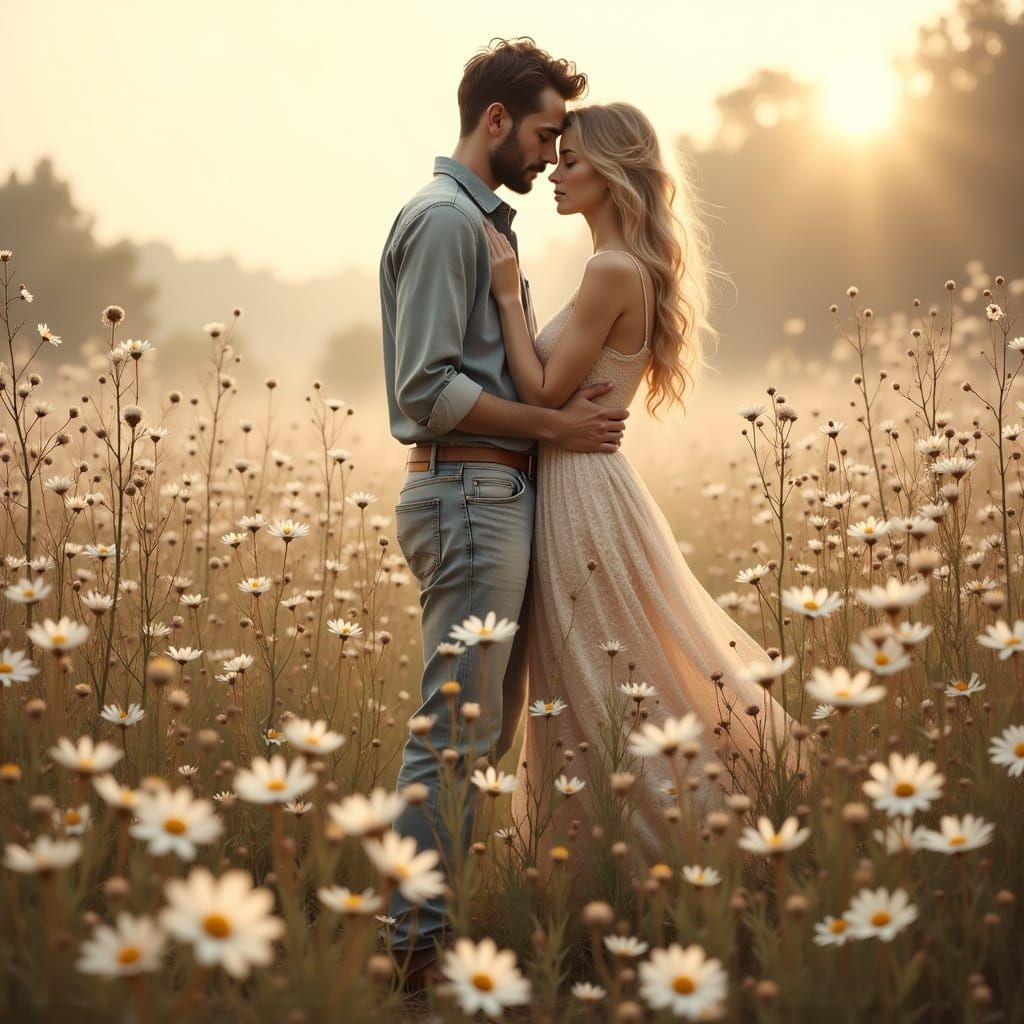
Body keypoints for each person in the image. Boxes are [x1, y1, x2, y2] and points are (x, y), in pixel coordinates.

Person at [483, 102, 800, 866]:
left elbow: (541, 394)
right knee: (604, 672)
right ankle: (629, 862)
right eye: (555, 158)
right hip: (586, 480)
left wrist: (503, 294)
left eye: (573, 161)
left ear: (615, 174)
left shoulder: (611, 270)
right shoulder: (625, 267)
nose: (555, 173)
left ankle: (668, 859)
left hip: (583, 490)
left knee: (600, 675)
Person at [379, 40, 629, 985]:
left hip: (490, 495)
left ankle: (422, 935)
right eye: (542, 133)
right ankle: (410, 949)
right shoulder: (448, 223)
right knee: (452, 730)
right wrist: (553, 426)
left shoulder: (480, 222)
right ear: (494, 122)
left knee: (477, 732)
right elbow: (429, 388)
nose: (549, 155)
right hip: (470, 493)